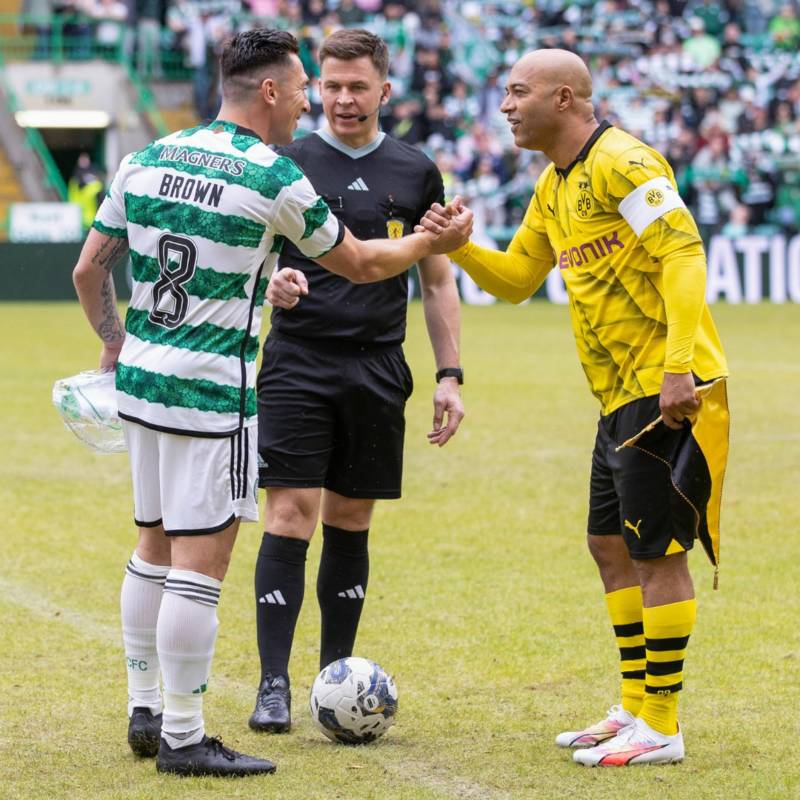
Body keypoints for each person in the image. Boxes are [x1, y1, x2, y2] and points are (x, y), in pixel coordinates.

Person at [71, 27, 471, 778]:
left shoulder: (148, 156)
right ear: (268, 90)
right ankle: (185, 738)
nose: (308, 102)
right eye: (301, 88)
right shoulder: (269, 173)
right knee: (200, 562)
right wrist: (426, 244)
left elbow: (89, 269)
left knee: (149, 545)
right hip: (213, 393)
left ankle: (146, 706)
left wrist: (113, 343)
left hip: (144, 384)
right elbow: (355, 262)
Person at [419, 49, 729, 767]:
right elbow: (520, 279)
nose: (504, 105)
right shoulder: (553, 186)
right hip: (618, 393)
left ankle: (662, 723)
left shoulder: (626, 162)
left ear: (564, 98)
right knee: (609, 545)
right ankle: (633, 706)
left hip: (663, 387)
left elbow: (684, 256)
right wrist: (460, 249)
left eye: (517, 92)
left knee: (659, 553)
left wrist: (679, 365)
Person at [248, 28, 464, 735]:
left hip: (378, 365)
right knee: (288, 516)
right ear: (317, 89)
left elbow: (436, 278)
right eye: (331, 87)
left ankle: (331, 681)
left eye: (357, 87)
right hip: (299, 361)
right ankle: (273, 684)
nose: (343, 99)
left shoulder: (416, 170)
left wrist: (451, 374)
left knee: (351, 518)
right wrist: (270, 286)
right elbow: (250, 258)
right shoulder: (286, 162)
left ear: (384, 91)